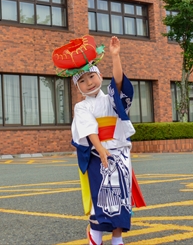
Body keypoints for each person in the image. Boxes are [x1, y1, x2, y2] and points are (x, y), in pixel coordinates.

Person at [53, 35, 145, 245]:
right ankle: (95, 234)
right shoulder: (81, 107)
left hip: (119, 153)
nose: (88, 83)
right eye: (82, 81)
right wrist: (101, 150)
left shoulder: (110, 98)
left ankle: (117, 238)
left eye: (91, 77)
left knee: (121, 196)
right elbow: (89, 129)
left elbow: (120, 83)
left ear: (99, 75)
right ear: (77, 87)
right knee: (102, 195)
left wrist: (115, 56)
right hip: (97, 155)